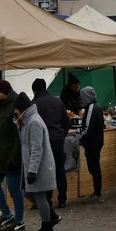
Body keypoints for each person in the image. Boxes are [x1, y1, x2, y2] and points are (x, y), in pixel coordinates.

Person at [14, 92, 59, 231]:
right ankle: (51, 216)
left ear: (20, 109)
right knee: (28, 192)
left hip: (39, 166)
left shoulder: (34, 123)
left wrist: (32, 170)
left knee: (39, 195)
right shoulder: (28, 120)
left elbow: (36, 148)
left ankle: (47, 226)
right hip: (33, 165)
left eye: (16, 109)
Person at [0, 80, 24, 231]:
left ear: (3, 92)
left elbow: (18, 133)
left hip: (11, 154)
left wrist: (15, 155)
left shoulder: (15, 106)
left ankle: (20, 220)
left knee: (14, 189)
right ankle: (7, 214)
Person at [31, 78, 71, 211]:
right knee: (60, 170)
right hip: (58, 140)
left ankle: (46, 200)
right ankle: (62, 199)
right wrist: (62, 134)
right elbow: (67, 122)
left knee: (44, 172)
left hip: (43, 142)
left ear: (34, 90)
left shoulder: (33, 105)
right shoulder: (57, 101)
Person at [76, 86, 105, 203]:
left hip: (92, 143)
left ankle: (97, 193)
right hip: (97, 142)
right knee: (95, 167)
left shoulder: (91, 108)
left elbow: (87, 127)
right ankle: (97, 192)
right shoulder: (97, 107)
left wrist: (79, 137)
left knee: (93, 168)